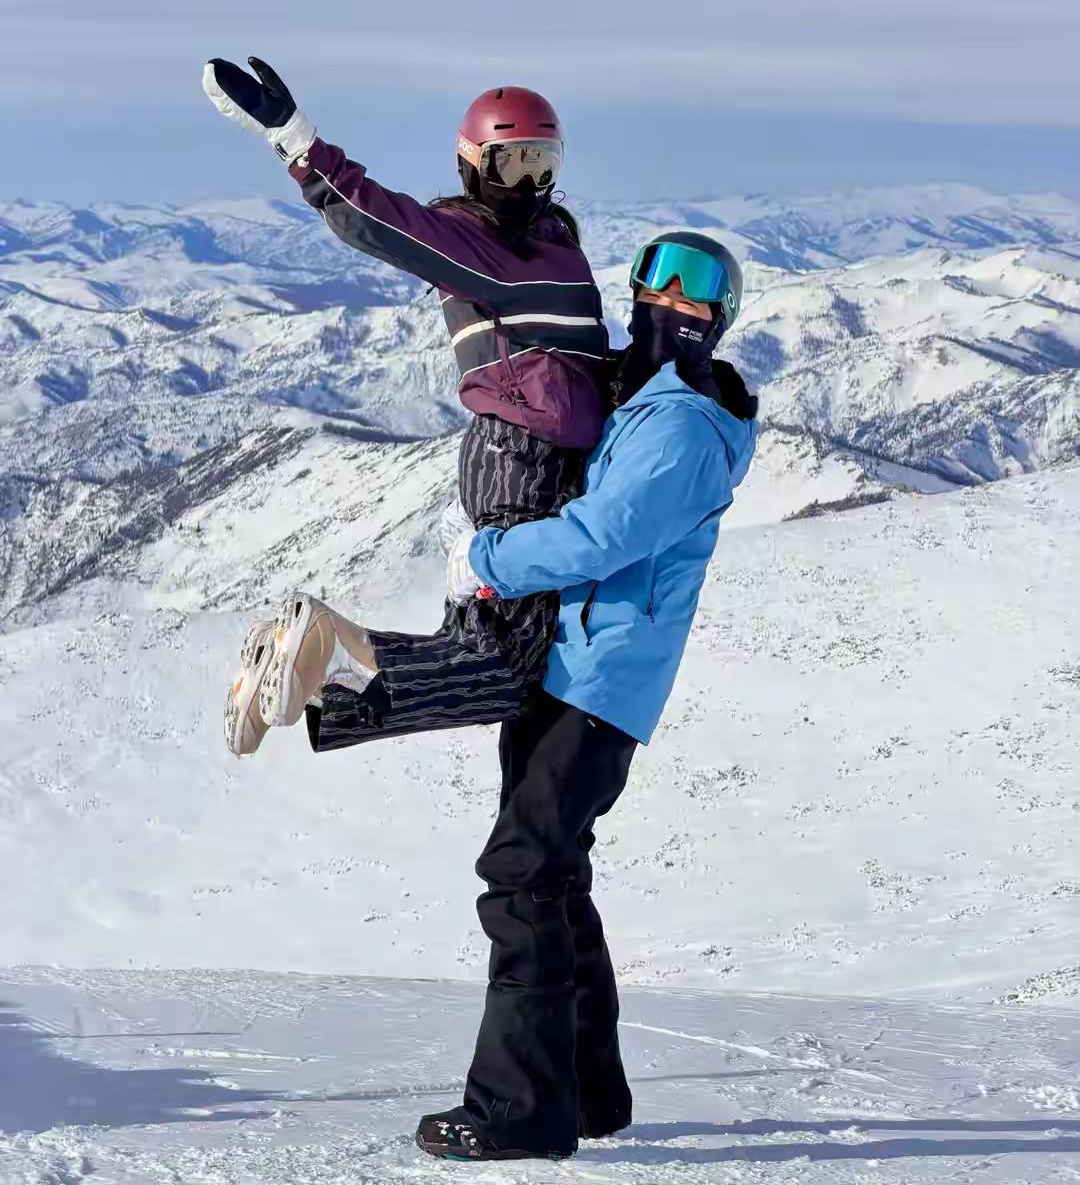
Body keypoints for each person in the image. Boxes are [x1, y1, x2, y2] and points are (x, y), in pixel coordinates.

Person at [415, 232, 759, 1162]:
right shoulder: (645, 401)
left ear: (719, 322)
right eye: (661, 293)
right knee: (554, 872)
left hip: (600, 680)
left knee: (524, 873)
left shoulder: (681, 428)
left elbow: (602, 536)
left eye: (698, 305)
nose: (674, 314)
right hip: (573, 665)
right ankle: (589, 1090)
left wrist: (488, 564)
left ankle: (521, 1109)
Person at [201, 58, 608, 757]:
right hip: (522, 460)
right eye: (512, 166)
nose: (531, 185)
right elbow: (375, 222)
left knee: (477, 651)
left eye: (544, 164)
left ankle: (309, 672)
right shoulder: (479, 246)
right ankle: (322, 650)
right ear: (473, 166)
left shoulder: (546, 244)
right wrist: (296, 140)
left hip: (527, 459)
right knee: (508, 670)